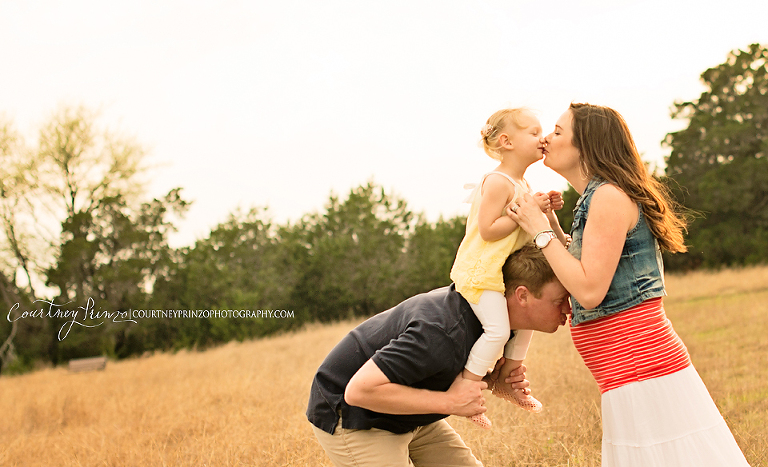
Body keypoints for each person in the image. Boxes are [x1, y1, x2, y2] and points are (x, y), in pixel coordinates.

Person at [507, 103, 750, 466]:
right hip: (625, 374)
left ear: (585, 146)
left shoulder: (608, 197)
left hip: (642, 370)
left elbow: (589, 291)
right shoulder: (594, 200)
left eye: (558, 131)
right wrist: (552, 226)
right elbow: (583, 268)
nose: (546, 138)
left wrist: (539, 231)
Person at [307, 245, 571, 467]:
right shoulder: (442, 332)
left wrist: (491, 381)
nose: (568, 309)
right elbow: (359, 391)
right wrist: (449, 402)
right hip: (354, 414)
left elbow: (442, 366)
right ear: (522, 296)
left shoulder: (500, 323)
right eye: (560, 300)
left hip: (409, 413)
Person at [449, 108, 567, 428]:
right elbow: (487, 230)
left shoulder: (522, 182)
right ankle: (467, 390)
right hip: (480, 272)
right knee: (498, 331)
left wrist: (548, 214)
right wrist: (527, 209)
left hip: (502, 274)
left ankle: (505, 378)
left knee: (527, 320)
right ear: (506, 141)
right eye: (533, 132)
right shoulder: (498, 181)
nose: (542, 138)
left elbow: (533, 226)